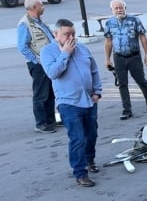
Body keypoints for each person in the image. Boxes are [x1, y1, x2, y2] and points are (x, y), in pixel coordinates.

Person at [40, 19, 102, 187]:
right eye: (67, 34)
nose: (71, 37)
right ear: (56, 34)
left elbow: (94, 70)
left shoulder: (82, 48)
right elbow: (53, 73)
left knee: (91, 134)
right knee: (77, 138)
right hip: (68, 102)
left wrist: (97, 91)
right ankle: (80, 173)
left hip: (89, 100)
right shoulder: (48, 51)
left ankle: (90, 159)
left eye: (73, 33)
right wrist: (65, 54)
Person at [103, 0, 147, 120]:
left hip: (134, 56)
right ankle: (127, 109)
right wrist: (107, 59)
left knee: (140, 80)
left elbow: (142, 37)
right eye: (116, 8)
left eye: (121, 7)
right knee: (122, 84)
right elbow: (108, 41)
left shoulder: (134, 20)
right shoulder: (109, 23)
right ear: (112, 10)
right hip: (118, 57)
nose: (119, 10)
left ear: (125, 8)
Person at [17, 0, 57, 134]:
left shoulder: (38, 21)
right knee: (41, 94)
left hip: (48, 62)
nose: (43, 7)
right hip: (39, 65)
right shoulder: (25, 24)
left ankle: (50, 120)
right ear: (34, 8)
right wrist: (36, 61)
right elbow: (22, 46)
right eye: (41, 5)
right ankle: (41, 123)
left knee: (50, 92)